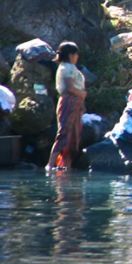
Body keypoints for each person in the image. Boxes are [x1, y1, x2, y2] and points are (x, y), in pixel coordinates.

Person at [46, 42, 87, 170]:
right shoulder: (66, 68)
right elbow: (69, 87)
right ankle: (51, 163)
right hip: (69, 101)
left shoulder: (70, 67)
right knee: (64, 132)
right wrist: (82, 94)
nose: (77, 56)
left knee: (74, 134)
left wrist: (81, 101)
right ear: (70, 55)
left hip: (76, 102)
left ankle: (65, 164)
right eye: (76, 54)